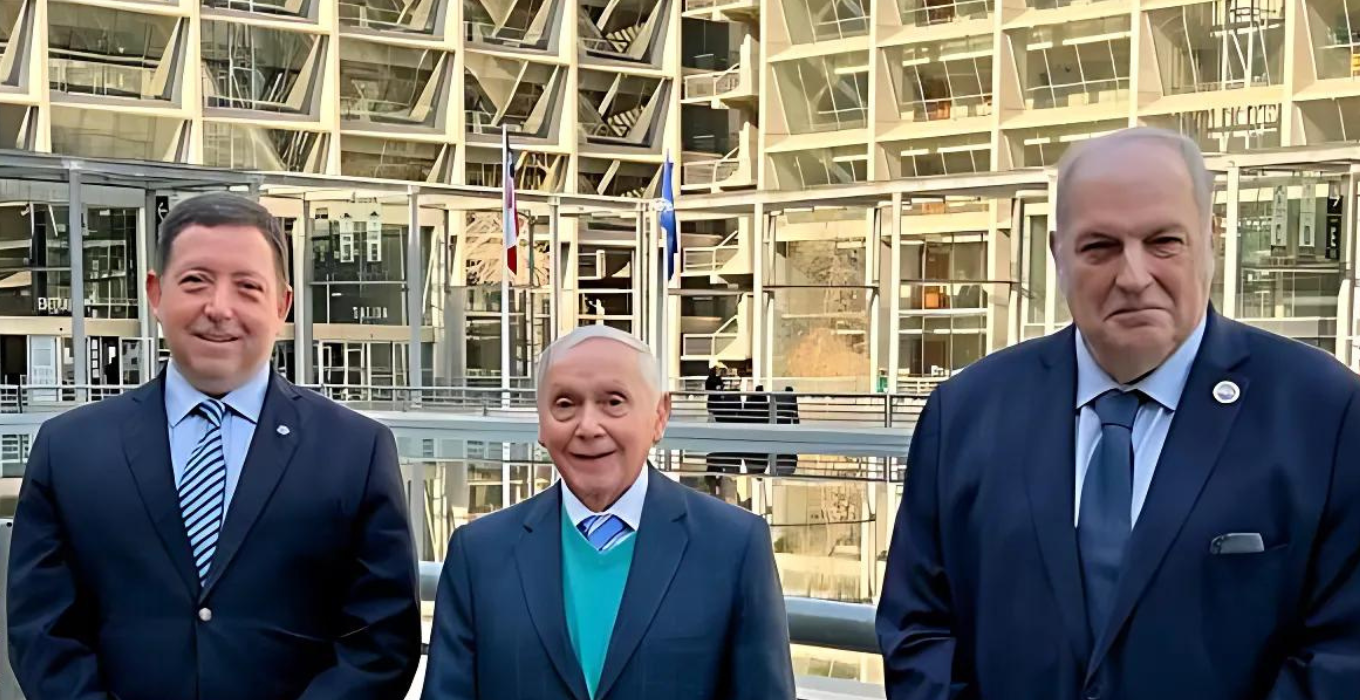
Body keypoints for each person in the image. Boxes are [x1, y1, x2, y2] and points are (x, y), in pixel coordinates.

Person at [877, 127, 1360, 700]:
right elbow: (919, 631)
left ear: (1210, 241)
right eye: (1100, 247)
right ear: (1059, 257)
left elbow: (1334, 658)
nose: (1134, 276)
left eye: (1163, 241)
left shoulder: (1321, 414)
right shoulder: (964, 414)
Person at [8, 193, 421, 700]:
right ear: (155, 294)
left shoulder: (356, 452)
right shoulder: (69, 450)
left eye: (248, 286)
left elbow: (381, 642)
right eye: (195, 281)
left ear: (281, 305)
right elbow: (41, 632)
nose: (219, 308)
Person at [422, 325, 795, 700]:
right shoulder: (478, 555)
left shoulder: (733, 547)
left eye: (613, 402)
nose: (588, 427)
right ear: (541, 421)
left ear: (659, 415)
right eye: (564, 404)